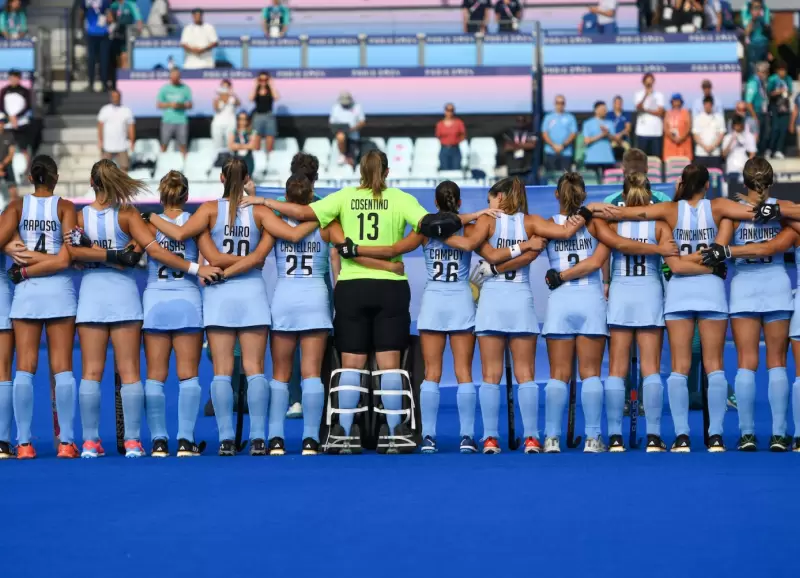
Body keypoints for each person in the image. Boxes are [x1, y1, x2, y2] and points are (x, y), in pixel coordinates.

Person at [243, 151, 460, 455]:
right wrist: (395, 250)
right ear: (387, 171)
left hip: (352, 285)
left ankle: (343, 432)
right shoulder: (400, 198)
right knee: (389, 364)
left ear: (359, 170)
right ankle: (394, 431)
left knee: (351, 363)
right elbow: (429, 225)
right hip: (391, 289)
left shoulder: (344, 198)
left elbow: (303, 214)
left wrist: (264, 201)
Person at [148, 157, 318, 456]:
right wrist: (321, 219)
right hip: (251, 292)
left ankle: (226, 439)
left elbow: (182, 237)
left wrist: (150, 218)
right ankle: (258, 439)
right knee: (255, 370)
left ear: (222, 179)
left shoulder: (208, 210)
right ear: (247, 179)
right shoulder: (261, 211)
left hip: (219, 293)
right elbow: (287, 237)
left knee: (222, 372)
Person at [343, 181, 525, 453]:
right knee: (464, 373)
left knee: (432, 374)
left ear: (436, 204)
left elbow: (393, 249)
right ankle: (466, 437)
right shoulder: (470, 227)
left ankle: (429, 436)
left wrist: (357, 249)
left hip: (433, 302)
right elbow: (487, 253)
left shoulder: (424, 231)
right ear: (459, 204)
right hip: (461, 301)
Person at [66, 159, 220, 458]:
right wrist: (194, 267)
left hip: (97, 296)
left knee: (92, 372)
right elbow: (141, 254)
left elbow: (74, 253)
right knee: (134, 373)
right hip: (133, 298)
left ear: (91, 181)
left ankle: (91, 442)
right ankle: (140, 441)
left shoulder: (80, 217)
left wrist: (94, 255)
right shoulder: (130, 215)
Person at [601, 164, 760, 452]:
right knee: (715, 367)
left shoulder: (670, 211)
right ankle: (716, 437)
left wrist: (596, 212)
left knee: (679, 368)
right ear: (708, 184)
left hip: (678, 292)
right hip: (711, 290)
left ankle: (682, 436)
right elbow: (718, 253)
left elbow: (632, 214)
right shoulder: (720, 207)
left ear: (681, 184)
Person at [541, 173, 676, 453]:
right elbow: (599, 258)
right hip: (617, 298)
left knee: (566, 374)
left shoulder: (545, 226)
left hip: (575, 300)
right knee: (626, 370)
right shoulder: (601, 222)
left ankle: (559, 438)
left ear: (557, 195)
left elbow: (529, 249)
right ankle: (612, 438)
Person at [261, 174, 392, 456]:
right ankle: (310, 439)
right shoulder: (327, 224)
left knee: (281, 374)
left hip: (284, 297)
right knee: (311, 374)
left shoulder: (274, 223)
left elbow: (256, 256)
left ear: (286, 197)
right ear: (312, 197)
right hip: (315, 300)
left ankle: (275, 438)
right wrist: (386, 266)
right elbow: (350, 252)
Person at [699, 157, 793, 452]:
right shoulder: (784, 209)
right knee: (777, 362)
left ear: (745, 181)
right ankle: (779, 434)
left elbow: (719, 249)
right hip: (777, 283)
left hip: (744, 288)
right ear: (771, 181)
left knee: (746, 363)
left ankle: (747, 434)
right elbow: (780, 245)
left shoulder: (734, 212)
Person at [0, 156, 77, 458]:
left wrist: (13, 249)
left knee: (24, 367)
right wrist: (49, 261)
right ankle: (68, 443)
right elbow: (68, 254)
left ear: (31, 178)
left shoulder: (17, 207)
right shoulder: (66, 207)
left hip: (27, 293)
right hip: (59, 290)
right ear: (56, 178)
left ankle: (23, 444)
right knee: (62, 367)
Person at [141, 171, 222, 457]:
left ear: (161, 197)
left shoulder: (149, 225)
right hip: (187, 301)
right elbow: (213, 257)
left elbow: (129, 254)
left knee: (155, 376)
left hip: (155, 302)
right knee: (188, 376)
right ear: (186, 196)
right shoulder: (195, 223)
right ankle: (185, 440)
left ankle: (159, 441)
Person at [604, 173, 674, 452]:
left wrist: (607, 282)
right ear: (649, 196)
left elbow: (606, 257)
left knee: (617, 369)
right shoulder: (659, 226)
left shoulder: (613, 223)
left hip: (621, 292)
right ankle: (654, 436)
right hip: (649, 293)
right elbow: (672, 261)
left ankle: (614, 437)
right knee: (651, 368)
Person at [0, 69, 32, 170]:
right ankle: (6, 169)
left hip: (21, 123)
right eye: (11, 78)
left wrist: (16, 116)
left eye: (15, 78)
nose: (13, 80)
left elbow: (28, 106)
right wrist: (9, 116)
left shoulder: (25, 91)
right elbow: (1, 106)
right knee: (7, 148)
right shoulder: (4, 90)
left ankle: (27, 170)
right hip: (8, 124)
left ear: (19, 79)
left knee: (24, 148)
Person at [97, 89, 135, 172]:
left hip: (122, 145)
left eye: (117, 97)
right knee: (104, 169)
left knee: (124, 168)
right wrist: (100, 140)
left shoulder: (126, 110)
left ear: (120, 97)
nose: (115, 98)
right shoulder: (105, 110)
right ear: (111, 97)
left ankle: (122, 185)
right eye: (113, 97)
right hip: (108, 145)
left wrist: (132, 141)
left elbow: (131, 127)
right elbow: (100, 125)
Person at [157, 68, 192, 156]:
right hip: (167, 120)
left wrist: (180, 105)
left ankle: (184, 165)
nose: (175, 78)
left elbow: (190, 105)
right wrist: (170, 104)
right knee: (164, 144)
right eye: (173, 76)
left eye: (177, 76)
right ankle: (162, 163)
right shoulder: (164, 88)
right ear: (170, 77)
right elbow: (159, 105)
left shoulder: (185, 88)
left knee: (183, 145)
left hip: (181, 121)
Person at [541, 95, 577, 175]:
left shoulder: (570, 117)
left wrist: (563, 146)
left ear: (565, 104)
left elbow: (573, 133)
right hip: (551, 152)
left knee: (566, 178)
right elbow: (544, 133)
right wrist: (553, 145)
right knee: (550, 177)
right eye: (558, 103)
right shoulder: (548, 117)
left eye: (562, 103)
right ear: (554, 103)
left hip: (566, 153)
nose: (560, 105)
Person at [329, 91, 365, 167]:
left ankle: (351, 162)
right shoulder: (335, 108)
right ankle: (342, 155)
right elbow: (332, 123)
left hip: (353, 138)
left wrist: (352, 129)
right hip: (340, 136)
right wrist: (340, 129)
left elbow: (362, 122)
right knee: (341, 136)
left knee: (352, 162)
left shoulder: (357, 107)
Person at [82, 0, 111, 92]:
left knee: (99, 60)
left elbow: (81, 14)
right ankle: (99, 84)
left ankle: (98, 84)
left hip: (98, 33)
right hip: (96, 33)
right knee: (97, 60)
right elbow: (81, 13)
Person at [634, 73, 665, 159]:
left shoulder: (659, 95)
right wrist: (645, 96)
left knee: (656, 159)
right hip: (642, 132)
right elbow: (638, 108)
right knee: (641, 159)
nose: (649, 84)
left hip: (656, 132)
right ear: (643, 83)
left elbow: (660, 112)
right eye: (647, 83)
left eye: (651, 82)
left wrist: (646, 110)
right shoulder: (638, 94)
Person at [582, 100, 615, 181]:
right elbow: (586, 141)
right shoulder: (588, 123)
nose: (605, 111)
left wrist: (607, 134)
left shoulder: (610, 123)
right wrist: (601, 135)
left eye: (606, 109)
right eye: (603, 109)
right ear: (596, 110)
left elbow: (615, 139)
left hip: (608, 159)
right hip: (592, 160)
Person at [107, 0, 143, 74]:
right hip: (115, 35)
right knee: (116, 59)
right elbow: (109, 19)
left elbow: (138, 19)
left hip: (126, 35)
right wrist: (110, 19)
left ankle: (123, 77)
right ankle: (117, 79)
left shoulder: (130, 4)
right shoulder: (114, 5)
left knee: (124, 57)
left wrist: (138, 31)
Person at [766, 61, 792, 160]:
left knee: (783, 129)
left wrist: (786, 92)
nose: (782, 73)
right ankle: (770, 149)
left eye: (784, 71)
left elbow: (790, 91)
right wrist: (777, 92)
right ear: (777, 71)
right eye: (780, 71)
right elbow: (769, 93)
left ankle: (779, 150)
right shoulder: (772, 79)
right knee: (775, 129)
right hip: (775, 106)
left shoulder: (788, 79)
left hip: (785, 106)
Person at [722, 115, 757, 186]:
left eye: (739, 125)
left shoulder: (749, 136)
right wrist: (732, 140)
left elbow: (752, 153)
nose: (738, 127)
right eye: (736, 125)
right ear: (733, 126)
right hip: (731, 168)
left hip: (744, 169)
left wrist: (746, 167)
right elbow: (724, 154)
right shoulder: (727, 137)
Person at [692, 96, 726, 170]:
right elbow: (695, 135)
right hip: (700, 153)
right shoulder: (697, 118)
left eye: (709, 105)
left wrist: (712, 147)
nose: (708, 107)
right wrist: (705, 147)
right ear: (703, 105)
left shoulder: (719, 118)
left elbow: (721, 134)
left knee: (715, 178)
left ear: (712, 105)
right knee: (700, 177)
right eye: (706, 104)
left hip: (715, 153)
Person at [250, 72, 279, 154]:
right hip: (257, 116)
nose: (263, 82)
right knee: (256, 137)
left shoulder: (270, 90)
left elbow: (276, 97)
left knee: (270, 137)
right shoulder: (256, 90)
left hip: (269, 115)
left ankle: (269, 159)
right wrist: (255, 85)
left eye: (265, 79)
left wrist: (271, 85)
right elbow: (251, 98)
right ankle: (257, 159)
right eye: (261, 79)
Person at [744, 61, 770, 156]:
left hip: (762, 113)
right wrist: (755, 117)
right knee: (755, 139)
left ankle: (760, 158)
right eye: (764, 72)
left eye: (767, 72)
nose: (766, 74)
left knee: (763, 136)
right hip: (754, 114)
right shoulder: (753, 82)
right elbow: (748, 102)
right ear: (759, 72)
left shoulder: (761, 83)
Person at [502, 116, 536, 183]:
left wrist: (515, 145)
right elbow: (507, 147)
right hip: (513, 168)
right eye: (519, 121)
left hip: (526, 167)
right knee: (514, 189)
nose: (520, 123)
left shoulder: (530, 132)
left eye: (522, 121)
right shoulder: (510, 132)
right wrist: (524, 145)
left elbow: (532, 145)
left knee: (527, 189)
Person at [227, 111, 260, 177]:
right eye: (240, 119)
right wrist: (246, 146)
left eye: (245, 119)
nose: (242, 121)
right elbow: (231, 146)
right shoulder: (233, 131)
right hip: (236, 161)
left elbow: (254, 146)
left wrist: (238, 145)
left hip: (248, 160)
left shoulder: (252, 132)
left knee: (247, 180)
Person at [435, 103, 466, 171]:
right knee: (444, 170)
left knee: (456, 170)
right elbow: (438, 136)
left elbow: (463, 135)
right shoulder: (440, 124)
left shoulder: (459, 123)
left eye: (451, 110)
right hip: (444, 149)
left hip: (455, 149)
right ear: (445, 111)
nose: (449, 112)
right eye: (448, 110)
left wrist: (455, 141)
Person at [743, 1, 770, 76]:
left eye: (759, 7)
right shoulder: (747, 15)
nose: (758, 9)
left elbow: (768, 30)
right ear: (751, 10)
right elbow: (746, 32)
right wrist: (753, 19)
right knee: (753, 70)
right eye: (756, 8)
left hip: (764, 45)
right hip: (753, 46)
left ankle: (762, 86)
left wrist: (765, 23)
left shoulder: (763, 14)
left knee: (764, 69)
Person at [210, 79, 238, 151]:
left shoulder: (233, 98)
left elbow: (238, 103)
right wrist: (221, 97)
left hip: (230, 124)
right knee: (217, 147)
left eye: (227, 87)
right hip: (218, 124)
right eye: (223, 87)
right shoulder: (216, 99)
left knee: (230, 147)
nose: (225, 89)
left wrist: (232, 94)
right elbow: (216, 108)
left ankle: (230, 161)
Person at [663, 93, 692, 162]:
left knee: (683, 163)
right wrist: (673, 138)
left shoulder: (685, 112)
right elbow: (665, 128)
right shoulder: (668, 113)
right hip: (670, 143)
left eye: (678, 101)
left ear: (681, 102)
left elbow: (688, 127)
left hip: (683, 143)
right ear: (671, 102)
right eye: (674, 101)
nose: (676, 103)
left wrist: (681, 138)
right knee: (671, 163)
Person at [606, 96, 631, 162]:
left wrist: (620, 134)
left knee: (628, 150)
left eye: (620, 103)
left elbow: (628, 128)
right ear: (613, 104)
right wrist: (614, 137)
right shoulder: (608, 115)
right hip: (611, 140)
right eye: (617, 103)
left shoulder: (626, 114)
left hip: (623, 139)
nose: (618, 104)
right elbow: (606, 128)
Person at [0, 114, 17, 199]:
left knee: (13, 188)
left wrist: (2, 165)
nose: (1, 124)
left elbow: (11, 154)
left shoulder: (9, 135)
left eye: (2, 122)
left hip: (6, 165)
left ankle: (14, 209)